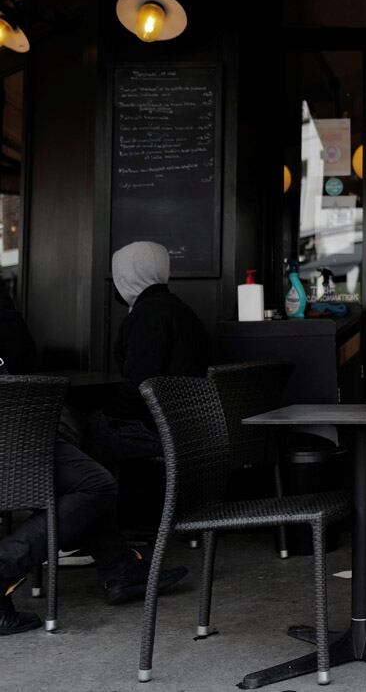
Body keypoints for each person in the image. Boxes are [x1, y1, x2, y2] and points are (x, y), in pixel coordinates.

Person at [0, 286, 186, 636]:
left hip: (17, 434)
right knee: (92, 478)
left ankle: (119, 567)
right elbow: (21, 354)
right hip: (10, 431)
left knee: (84, 460)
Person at [83, 241, 210, 467]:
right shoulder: (179, 309)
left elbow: (140, 387)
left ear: (126, 276)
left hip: (162, 433)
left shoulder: (148, 315)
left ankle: (99, 498)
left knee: (84, 427)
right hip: (191, 427)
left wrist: (106, 411)